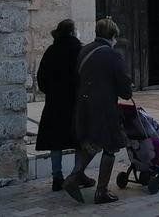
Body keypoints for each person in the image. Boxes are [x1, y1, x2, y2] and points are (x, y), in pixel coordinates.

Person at [63, 17, 133, 205]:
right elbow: (124, 89)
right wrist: (127, 88)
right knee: (110, 146)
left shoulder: (84, 50)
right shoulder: (112, 55)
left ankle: (74, 177)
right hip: (103, 107)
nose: (116, 41)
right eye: (115, 37)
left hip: (84, 104)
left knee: (92, 143)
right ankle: (101, 191)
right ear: (111, 35)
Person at [35, 19, 94, 192]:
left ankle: (57, 176)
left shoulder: (51, 51)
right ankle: (77, 174)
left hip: (55, 102)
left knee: (56, 141)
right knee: (79, 139)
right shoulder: (80, 51)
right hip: (76, 102)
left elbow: (42, 79)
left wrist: (52, 93)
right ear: (73, 32)